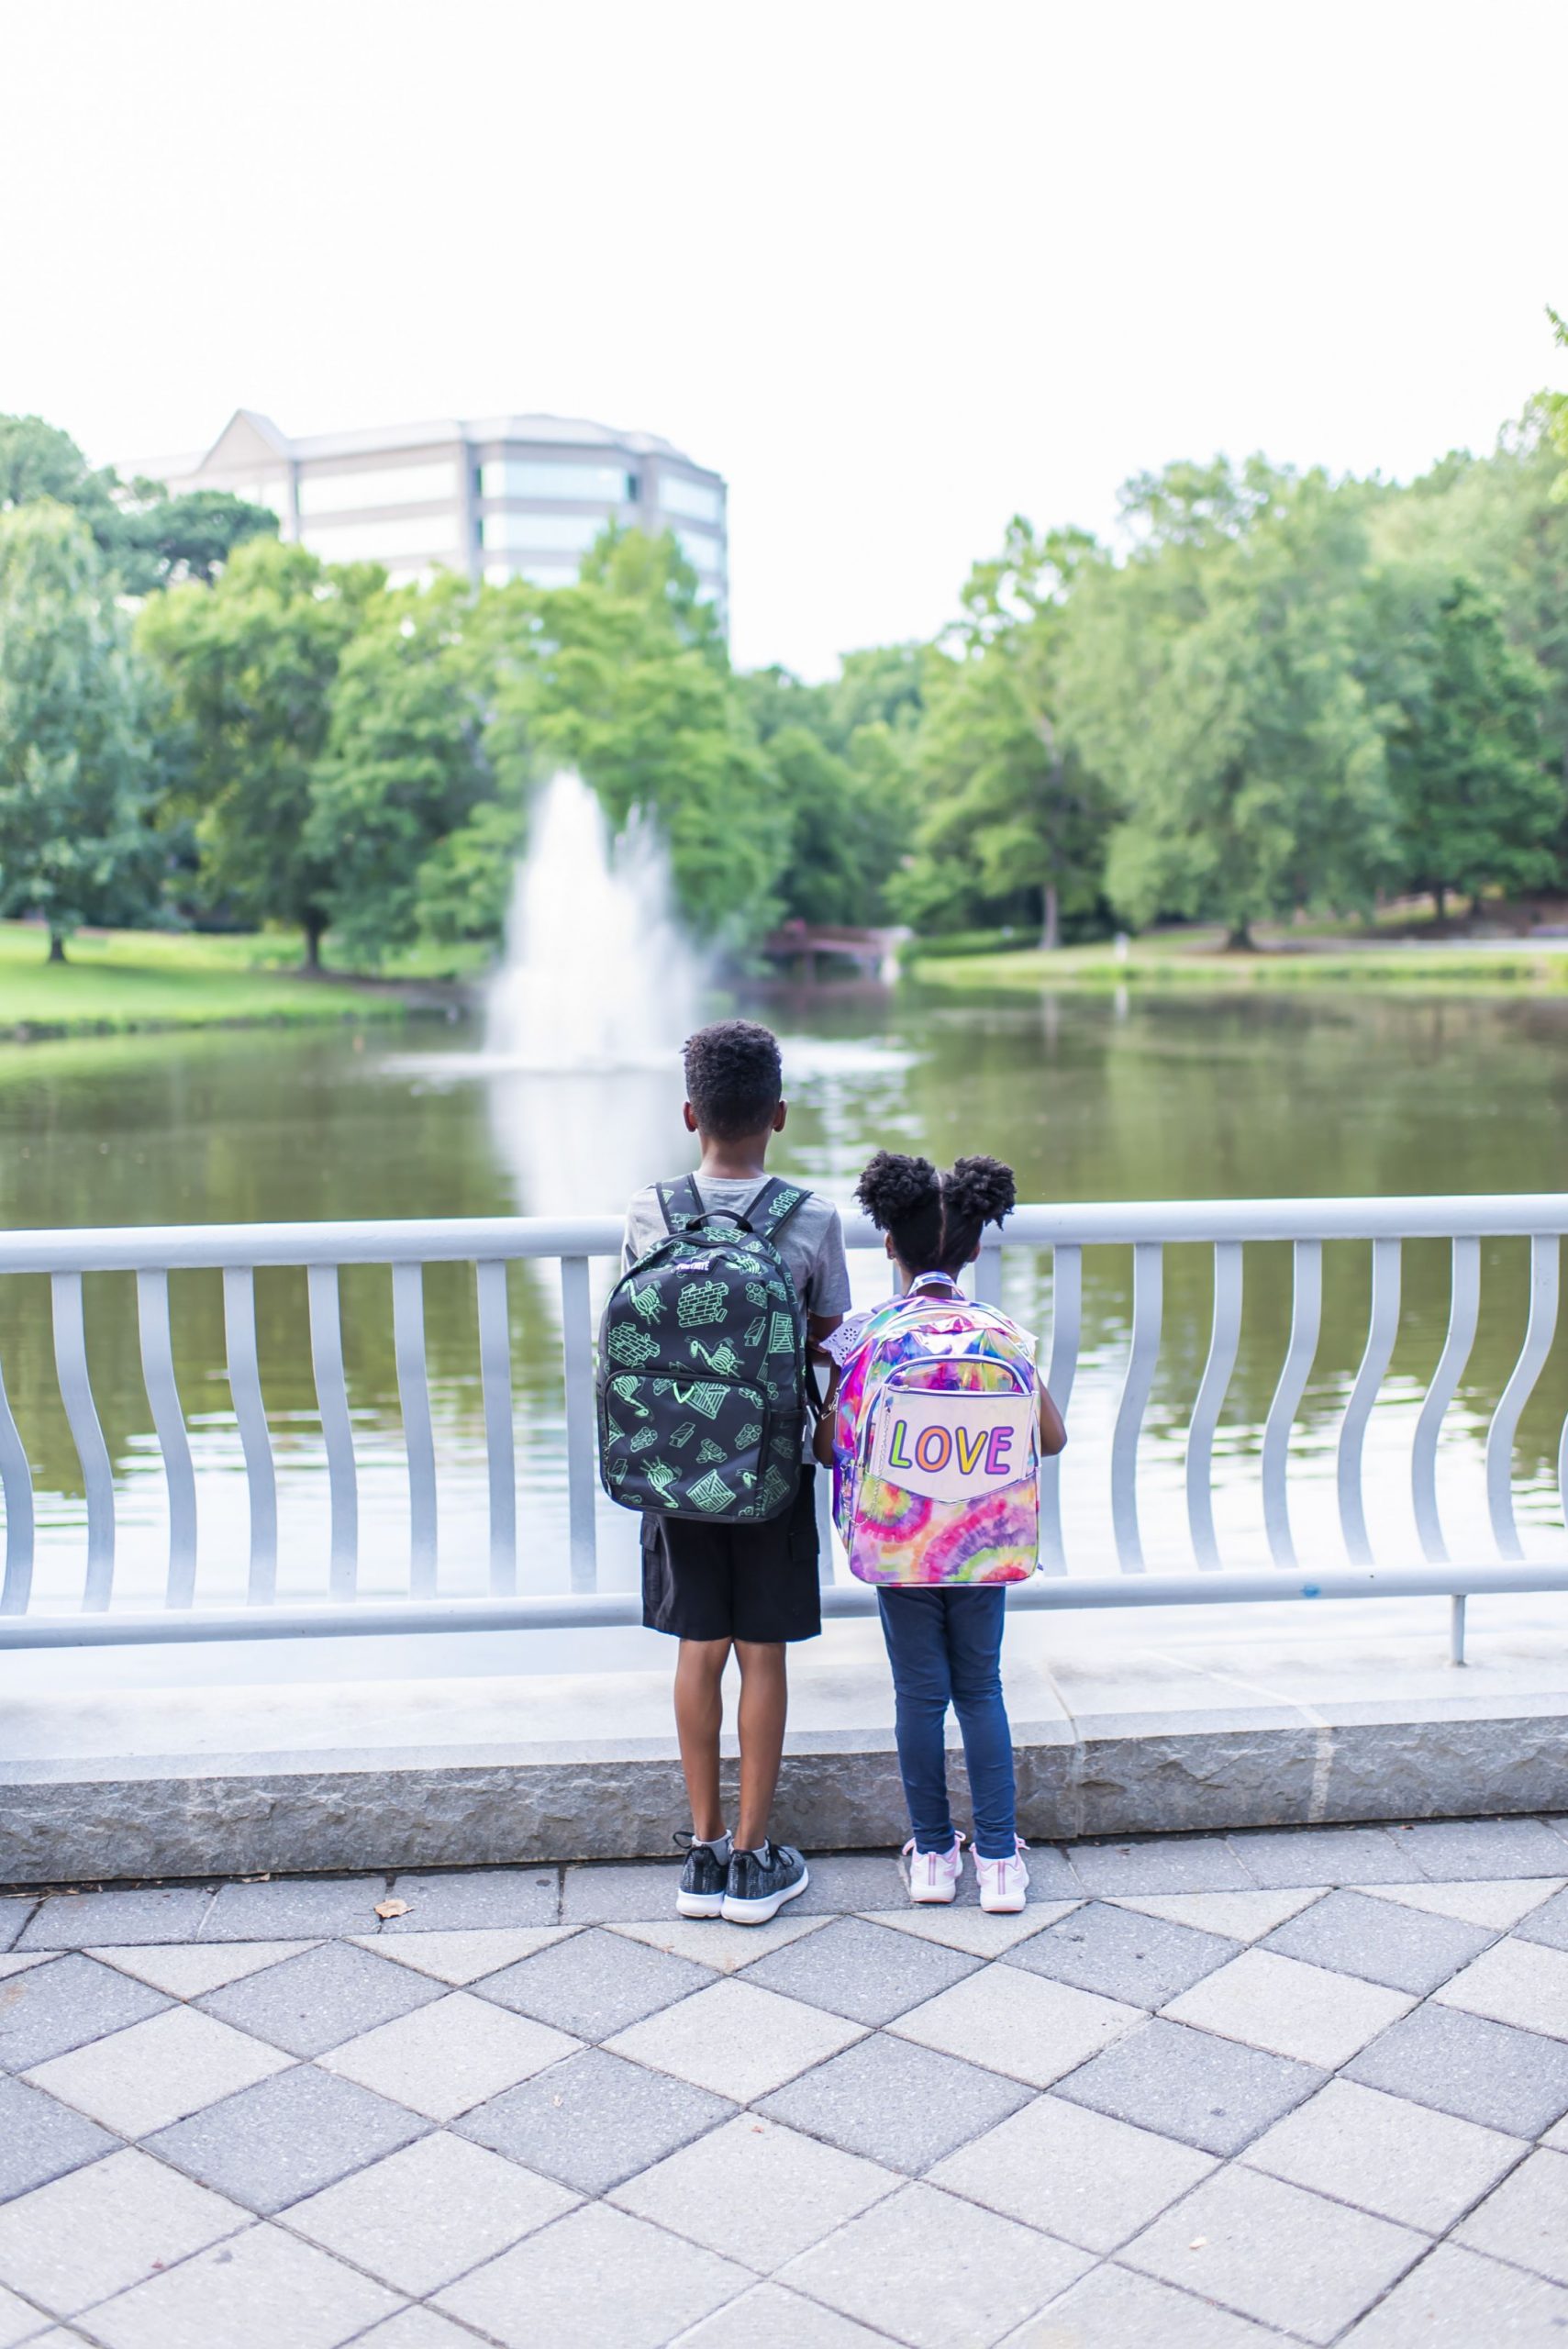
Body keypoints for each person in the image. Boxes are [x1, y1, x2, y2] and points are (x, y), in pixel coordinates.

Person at [622, 1019, 849, 1923]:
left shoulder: (651, 1211)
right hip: (772, 1470)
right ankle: (755, 1861)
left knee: (697, 1649)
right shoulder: (812, 1218)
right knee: (762, 1656)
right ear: (778, 1115)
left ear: (689, 1114)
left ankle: (703, 1850)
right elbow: (827, 1332)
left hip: (676, 1470)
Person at [816, 1152, 1067, 1913]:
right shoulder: (1003, 1335)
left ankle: (931, 1854)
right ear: (974, 1249)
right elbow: (1050, 1437)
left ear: (887, 1245)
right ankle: (997, 1859)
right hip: (983, 1545)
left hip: (900, 1548)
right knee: (981, 1690)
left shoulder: (866, 1334)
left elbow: (833, 1444)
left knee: (919, 1696)